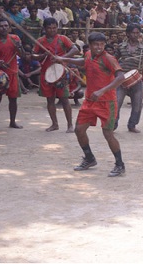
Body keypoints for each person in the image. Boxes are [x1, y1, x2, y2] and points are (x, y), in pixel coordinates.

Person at [54, 32, 127, 177]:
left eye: (101, 44)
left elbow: (121, 77)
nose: (99, 47)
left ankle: (120, 165)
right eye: (96, 45)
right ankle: (89, 158)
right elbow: (83, 61)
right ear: (90, 45)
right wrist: (64, 59)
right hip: (90, 100)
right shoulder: (88, 54)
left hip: (107, 102)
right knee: (79, 129)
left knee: (108, 134)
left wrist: (102, 91)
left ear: (104, 45)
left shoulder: (108, 59)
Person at [33, 17, 79, 132]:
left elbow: (75, 49)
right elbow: (33, 55)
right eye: (49, 28)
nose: (52, 30)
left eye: (54, 28)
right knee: (50, 100)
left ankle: (70, 125)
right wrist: (42, 55)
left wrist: (62, 58)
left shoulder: (63, 38)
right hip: (46, 73)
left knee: (64, 99)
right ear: (45, 29)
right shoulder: (40, 41)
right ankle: (54, 124)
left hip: (60, 73)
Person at [115, 23, 143, 133]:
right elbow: (114, 61)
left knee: (137, 104)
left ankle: (132, 125)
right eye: (133, 33)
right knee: (117, 102)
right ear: (127, 34)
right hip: (122, 78)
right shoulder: (121, 46)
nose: (135, 35)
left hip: (137, 78)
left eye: (137, 33)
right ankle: (113, 124)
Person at [0, 18, 25, 131]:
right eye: (1, 26)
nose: (4, 28)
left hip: (13, 73)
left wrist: (19, 47)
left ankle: (12, 122)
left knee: (13, 99)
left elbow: (22, 55)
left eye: (6, 26)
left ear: (9, 27)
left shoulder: (15, 38)